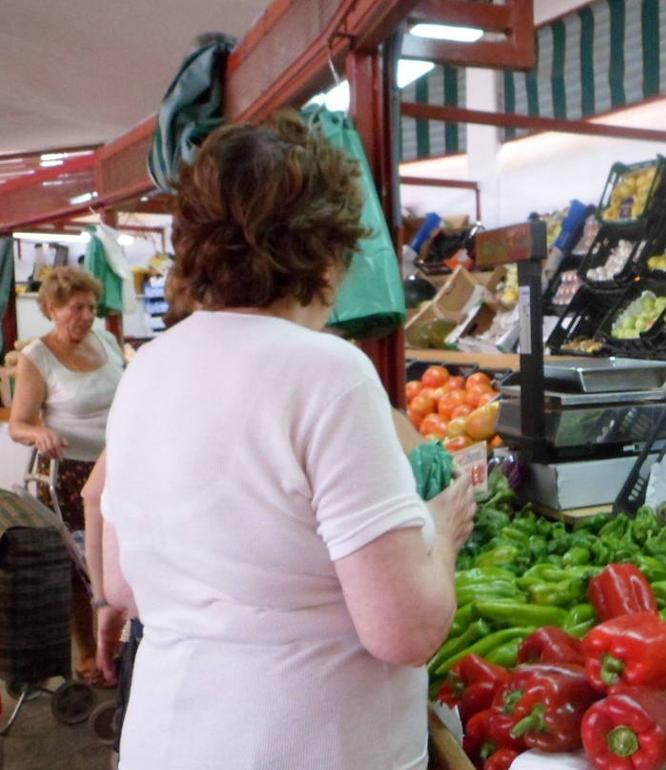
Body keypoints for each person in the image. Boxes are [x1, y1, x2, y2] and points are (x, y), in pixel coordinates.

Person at [97, 110, 475, 770]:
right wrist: (442, 531)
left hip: (168, 738)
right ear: (330, 250)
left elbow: (124, 586)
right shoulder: (327, 372)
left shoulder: (148, 368)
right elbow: (406, 630)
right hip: (306, 747)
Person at [9, 266, 123, 685]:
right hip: (70, 474)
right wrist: (40, 432)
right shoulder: (36, 357)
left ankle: (123, 642)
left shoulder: (108, 341)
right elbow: (19, 423)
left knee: (121, 558)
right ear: (52, 309)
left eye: (91, 307)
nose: (86, 316)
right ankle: (90, 654)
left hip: (118, 464)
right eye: (76, 308)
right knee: (81, 566)